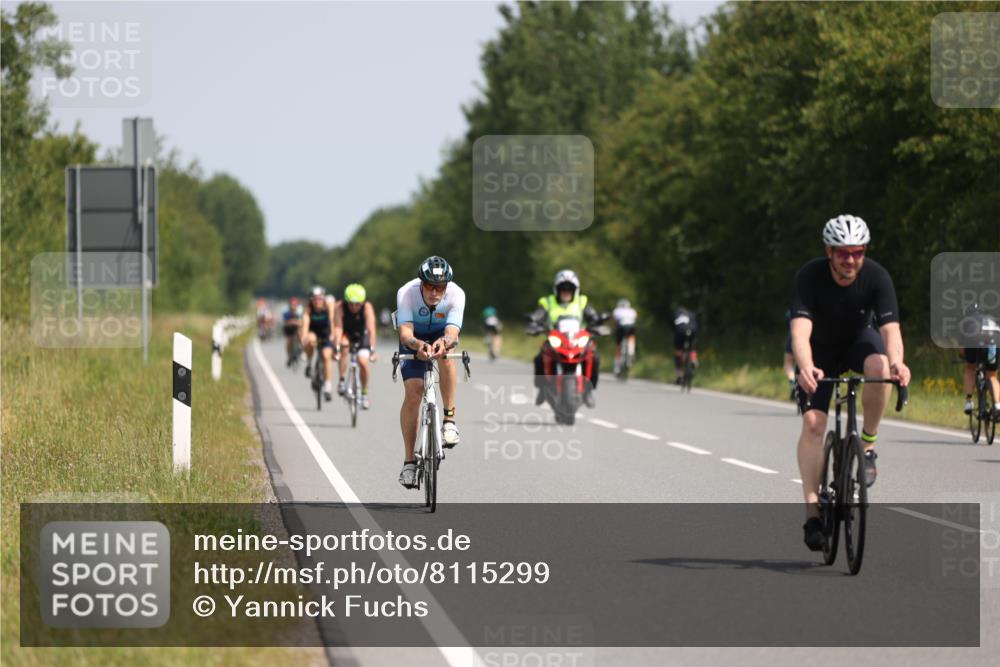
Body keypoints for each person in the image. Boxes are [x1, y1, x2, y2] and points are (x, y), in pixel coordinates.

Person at [790, 214, 911, 552]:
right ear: (829, 251)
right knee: (814, 424)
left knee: (880, 364)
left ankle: (868, 446)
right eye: (843, 253)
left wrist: (898, 363)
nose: (850, 260)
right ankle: (813, 514)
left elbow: (891, 332)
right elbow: (800, 331)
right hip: (820, 352)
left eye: (857, 252)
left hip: (859, 342)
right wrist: (806, 366)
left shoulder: (877, 276)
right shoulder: (809, 277)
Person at [395, 256, 466, 489]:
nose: (435, 292)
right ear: (421, 283)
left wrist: (442, 343)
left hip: (441, 335)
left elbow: (453, 332)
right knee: (414, 391)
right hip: (413, 338)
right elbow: (405, 333)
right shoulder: (407, 293)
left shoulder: (457, 294)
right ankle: (409, 462)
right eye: (429, 286)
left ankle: (449, 420)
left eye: (440, 287)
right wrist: (418, 346)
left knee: (446, 356)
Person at [529, 269, 601, 408]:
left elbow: (592, 316)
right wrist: (534, 322)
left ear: (576, 290)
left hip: (577, 339)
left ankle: (588, 391)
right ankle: (542, 388)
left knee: (594, 356)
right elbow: (538, 315)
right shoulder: (547, 302)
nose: (566, 292)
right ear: (557, 289)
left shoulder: (582, 301)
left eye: (570, 288)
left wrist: (597, 321)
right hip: (555, 338)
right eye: (563, 288)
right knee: (539, 358)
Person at [333, 283, 378, 409]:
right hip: (346, 334)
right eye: (350, 304)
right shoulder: (339, 307)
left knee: (362, 362)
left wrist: (372, 350)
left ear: (362, 302)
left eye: (357, 304)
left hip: (361, 335)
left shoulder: (367, 307)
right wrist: (336, 347)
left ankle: (364, 393)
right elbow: (338, 328)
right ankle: (342, 380)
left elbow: (371, 330)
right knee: (344, 345)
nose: (353, 307)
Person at [960, 303, 1000, 418]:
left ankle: (969, 402)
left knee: (970, 368)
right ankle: (997, 406)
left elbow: (962, 350)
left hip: (975, 337)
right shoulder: (991, 319)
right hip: (995, 338)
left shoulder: (967, 321)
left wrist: (965, 357)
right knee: (992, 375)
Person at [300, 286, 337, 401]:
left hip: (326, 333)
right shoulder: (308, 308)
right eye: (315, 299)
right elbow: (305, 323)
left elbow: (332, 319)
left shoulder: (328, 305)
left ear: (323, 298)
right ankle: (309, 363)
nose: (317, 301)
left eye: (320, 298)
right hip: (313, 332)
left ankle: (328, 387)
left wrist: (333, 335)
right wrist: (304, 336)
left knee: (326, 356)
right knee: (310, 340)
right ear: (311, 300)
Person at [671, 306, 699, 383]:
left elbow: (673, 327)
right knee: (693, 347)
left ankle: (679, 375)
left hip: (680, 332)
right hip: (692, 331)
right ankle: (693, 359)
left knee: (678, 352)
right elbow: (697, 325)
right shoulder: (691, 314)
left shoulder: (676, 314)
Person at [613, 298, 638, 375]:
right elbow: (635, 319)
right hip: (631, 326)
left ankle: (616, 367)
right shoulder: (632, 311)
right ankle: (631, 350)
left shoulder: (617, 310)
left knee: (618, 345)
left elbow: (615, 322)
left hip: (621, 327)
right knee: (631, 337)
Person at [282, 296, 304, 366]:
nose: (293, 307)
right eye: (291, 305)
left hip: (297, 327)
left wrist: (294, 322)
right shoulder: (286, 312)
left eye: (294, 305)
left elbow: (302, 322)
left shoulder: (300, 311)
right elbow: (285, 323)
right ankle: (289, 357)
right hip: (289, 328)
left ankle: (301, 348)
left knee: (300, 333)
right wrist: (293, 322)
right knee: (289, 341)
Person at [783, 309, 797, 400]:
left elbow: (787, 322)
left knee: (788, 363)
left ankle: (792, 382)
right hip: (810, 340)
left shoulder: (792, 311)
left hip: (793, 337)